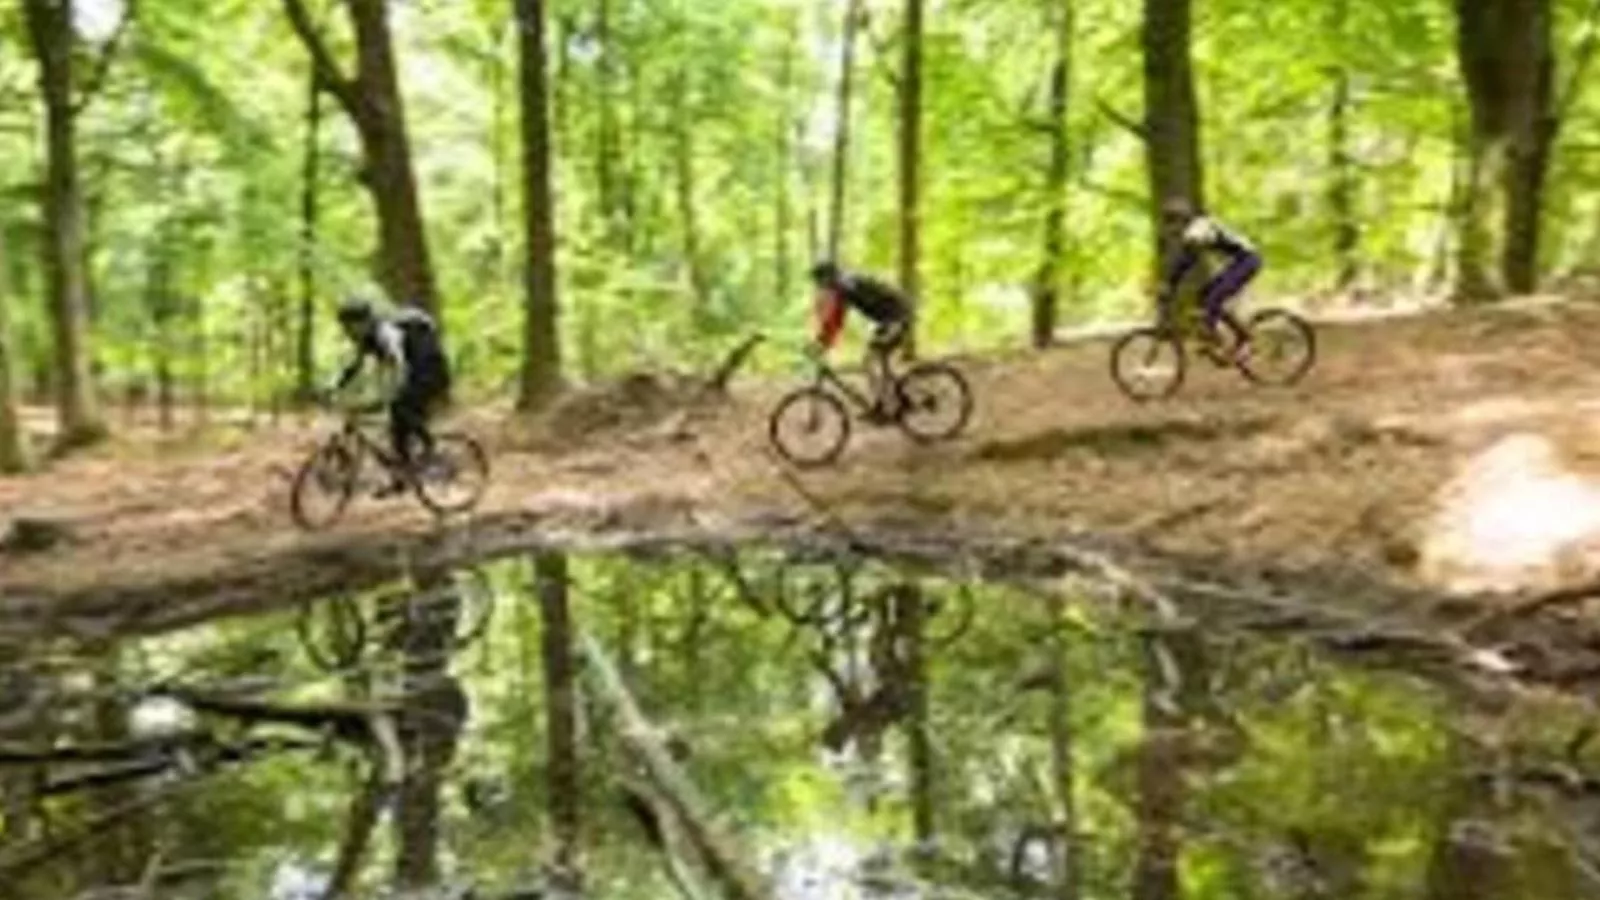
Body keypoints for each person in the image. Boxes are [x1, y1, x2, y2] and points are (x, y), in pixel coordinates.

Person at [329, 294, 452, 496]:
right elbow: (354, 366)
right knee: (396, 427)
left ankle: (430, 450)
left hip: (429, 370)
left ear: (364, 321)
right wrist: (334, 386)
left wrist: (390, 393)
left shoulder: (387, 332)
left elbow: (399, 363)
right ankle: (401, 476)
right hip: (413, 370)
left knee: (400, 406)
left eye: (351, 325)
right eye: (345, 327)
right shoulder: (368, 338)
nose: (349, 331)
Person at [1157, 198, 1262, 364]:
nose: (1171, 229)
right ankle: (1233, 338)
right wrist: (1171, 284)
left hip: (1247, 261)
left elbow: (1186, 260)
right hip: (1237, 262)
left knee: (1214, 298)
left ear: (1180, 219)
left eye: (1171, 222)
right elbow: (1188, 262)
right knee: (1204, 295)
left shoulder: (1197, 229)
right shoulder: (1194, 230)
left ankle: (1233, 341)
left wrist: (1169, 285)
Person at [808, 261, 914, 422]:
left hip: (897, 318)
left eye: (820, 282)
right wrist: (822, 342)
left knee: (871, 361)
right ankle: (892, 402)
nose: (820, 287)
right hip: (888, 319)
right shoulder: (845, 283)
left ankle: (886, 408)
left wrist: (822, 343)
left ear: (828, 278)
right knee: (874, 361)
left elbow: (836, 319)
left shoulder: (844, 286)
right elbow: (836, 320)